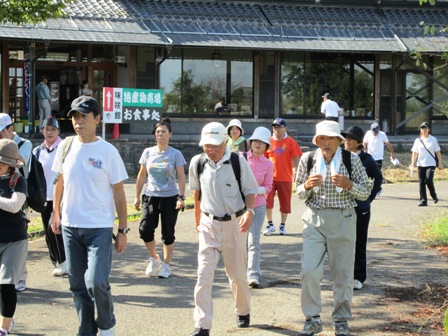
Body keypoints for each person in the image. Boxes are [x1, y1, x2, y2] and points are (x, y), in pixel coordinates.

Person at [51, 96, 129, 336]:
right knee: (76, 284)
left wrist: (123, 230)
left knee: (96, 282)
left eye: (84, 116)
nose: (78, 121)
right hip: (70, 227)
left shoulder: (108, 152)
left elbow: (118, 193)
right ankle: (86, 329)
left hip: (100, 228)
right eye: (75, 117)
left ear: (97, 118)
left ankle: (106, 325)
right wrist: (55, 212)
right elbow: (59, 182)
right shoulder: (66, 147)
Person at [295, 120, 370, 336]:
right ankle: (312, 319)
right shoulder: (308, 159)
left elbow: (365, 191)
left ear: (339, 140)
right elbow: (298, 191)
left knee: (343, 274)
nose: (325, 142)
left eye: (330, 138)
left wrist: (349, 185)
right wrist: (307, 185)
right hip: (314, 220)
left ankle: (341, 321)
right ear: (316, 140)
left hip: (343, 219)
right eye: (322, 138)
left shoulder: (351, 159)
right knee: (309, 271)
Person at [188, 122, 258, 336]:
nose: (211, 150)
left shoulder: (238, 162)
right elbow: (197, 194)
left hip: (234, 224)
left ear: (225, 142)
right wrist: (198, 220)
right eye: (207, 145)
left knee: (236, 275)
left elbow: (250, 191)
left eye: (216, 145)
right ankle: (202, 325)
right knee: (203, 276)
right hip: (209, 225)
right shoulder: (198, 162)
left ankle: (243, 311)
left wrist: (249, 212)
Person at [133, 118, 186, 279]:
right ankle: (155, 259)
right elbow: (142, 175)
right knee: (145, 230)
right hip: (150, 196)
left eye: (163, 131)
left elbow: (182, 178)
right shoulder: (148, 152)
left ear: (170, 134)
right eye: (157, 132)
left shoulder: (175, 154)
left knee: (167, 233)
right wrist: (136, 197)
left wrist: (181, 197)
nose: (160, 134)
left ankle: (166, 265)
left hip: (170, 197)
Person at [342, 126, 383, 291]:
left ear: (359, 142)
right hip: (343, 207)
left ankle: (358, 277)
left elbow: (378, 179)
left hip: (361, 208)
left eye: (351, 138)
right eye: (346, 138)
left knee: (359, 242)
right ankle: (344, 275)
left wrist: (369, 198)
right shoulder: (342, 157)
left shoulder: (367, 159)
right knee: (343, 242)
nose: (347, 141)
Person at [0, 113, 32, 292]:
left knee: (19, 237)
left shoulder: (24, 144)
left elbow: (21, 161)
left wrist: (7, 146)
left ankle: (21, 276)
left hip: (19, 193)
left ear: (10, 129)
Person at [0, 139, 27, 336]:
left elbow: (15, 206)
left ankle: (4, 328)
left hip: (14, 239)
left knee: (6, 284)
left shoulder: (18, 180)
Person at [33, 118, 66, 276]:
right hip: (44, 197)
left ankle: (64, 261)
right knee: (48, 234)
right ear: (42, 131)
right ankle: (58, 262)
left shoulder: (65, 148)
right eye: (47, 129)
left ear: (59, 131)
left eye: (53, 129)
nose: (50, 132)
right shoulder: (38, 151)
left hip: (62, 197)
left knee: (55, 230)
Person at [263, 118, 302, 236]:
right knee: (267, 201)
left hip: (285, 177)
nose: (277, 130)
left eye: (280, 127)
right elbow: (263, 158)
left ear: (285, 128)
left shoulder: (290, 142)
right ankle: (270, 224)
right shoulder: (268, 141)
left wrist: (296, 170)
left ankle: (282, 225)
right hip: (270, 178)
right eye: (275, 127)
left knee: (285, 203)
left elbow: (296, 158)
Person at [246, 127, 273, 288]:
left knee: (253, 240)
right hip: (241, 207)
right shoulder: (241, 159)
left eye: (262, 142)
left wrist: (257, 190)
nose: (257, 144)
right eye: (255, 141)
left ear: (266, 146)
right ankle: (240, 272)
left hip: (258, 205)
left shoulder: (268, 164)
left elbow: (269, 186)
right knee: (240, 241)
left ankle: (253, 274)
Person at [410, 122, 443, 207]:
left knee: (428, 180)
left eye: (425, 128)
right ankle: (423, 200)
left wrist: (440, 163)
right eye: (422, 128)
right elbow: (415, 153)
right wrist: (413, 163)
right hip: (421, 164)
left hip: (431, 163)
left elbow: (438, 152)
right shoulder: (418, 140)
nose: (423, 130)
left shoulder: (433, 139)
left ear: (429, 130)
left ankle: (434, 195)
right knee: (421, 182)